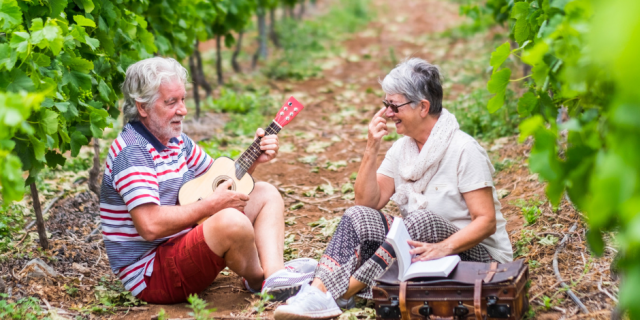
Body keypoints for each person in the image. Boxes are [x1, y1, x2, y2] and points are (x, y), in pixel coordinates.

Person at [275, 58, 514, 319]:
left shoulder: (464, 149)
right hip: (425, 248)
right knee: (357, 217)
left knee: (418, 220)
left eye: (394, 105)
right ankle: (317, 292)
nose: (388, 113)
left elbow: (486, 221)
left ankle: (338, 294)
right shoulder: (403, 149)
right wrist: (371, 148)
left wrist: (443, 247)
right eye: (385, 105)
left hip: (479, 258)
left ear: (423, 107)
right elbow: (366, 203)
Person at [100, 57, 315, 304]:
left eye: (182, 99)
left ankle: (277, 277)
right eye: (171, 102)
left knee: (265, 193)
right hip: (152, 275)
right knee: (231, 220)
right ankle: (259, 280)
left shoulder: (175, 140)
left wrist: (255, 158)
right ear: (142, 107)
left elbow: (218, 182)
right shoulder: (133, 152)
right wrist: (212, 206)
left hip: (182, 243)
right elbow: (150, 226)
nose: (183, 110)